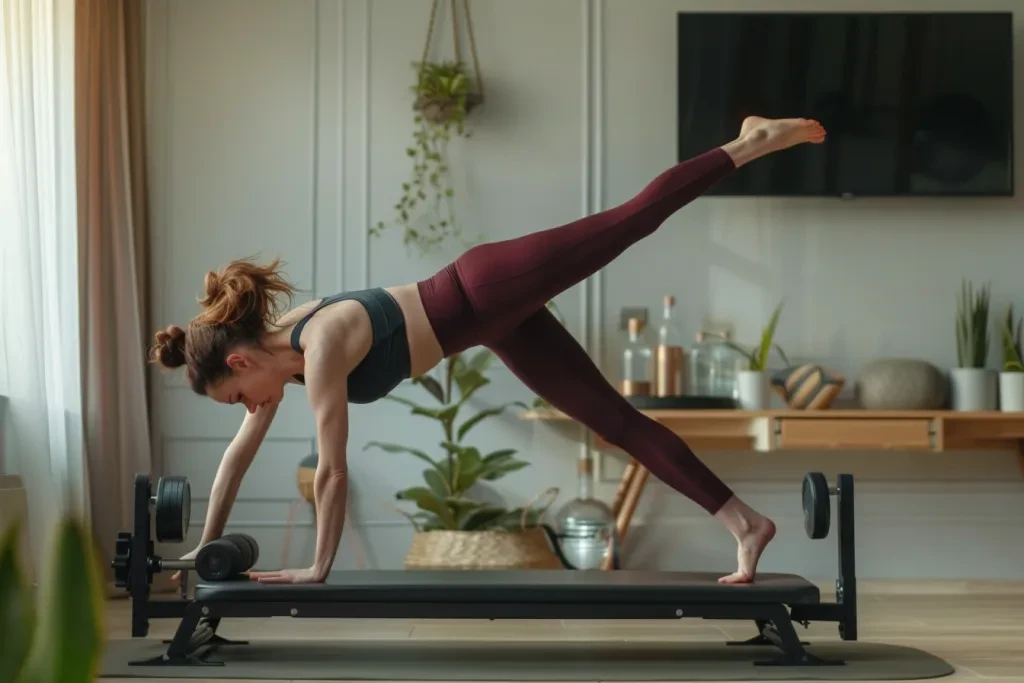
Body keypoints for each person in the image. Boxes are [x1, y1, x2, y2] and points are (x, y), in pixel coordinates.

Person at [151, 116, 827, 585]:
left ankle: (748, 143)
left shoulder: (318, 345)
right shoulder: (280, 366)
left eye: (238, 398)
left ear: (241, 361)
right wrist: (201, 547)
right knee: (614, 421)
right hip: (493, 326)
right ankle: (746, 523)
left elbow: (332, 472)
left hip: (488, 285)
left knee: (629, 221)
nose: (250, 409)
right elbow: (234, 461)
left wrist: (316, 566)